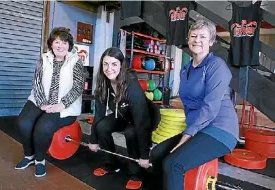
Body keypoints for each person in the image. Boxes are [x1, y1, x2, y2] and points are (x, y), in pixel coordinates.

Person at [150, 20, 239, 190]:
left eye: (203, 36)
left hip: (221, 129)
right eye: (194, 35)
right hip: (199, 128)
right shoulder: (186, 69)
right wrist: (190, 131)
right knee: (157, 154)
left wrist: (187, 135)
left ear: (211, 42)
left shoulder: (216, 66)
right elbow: (190, 104)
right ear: (188, 38)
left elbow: (210, 108)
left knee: (173, 164)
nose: (197, 40)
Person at [15, 27, 86, 177]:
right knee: (23, 122)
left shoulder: (76, 62)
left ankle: (40, 160)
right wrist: (41, 103)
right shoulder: (44, 58)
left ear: (69, 45)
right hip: (40, 100)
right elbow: (37, 82)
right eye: (57, 42)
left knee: (43, 128)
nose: (60, 46)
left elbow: (78, 87)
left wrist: (61, 105)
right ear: (51, 44)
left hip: (64, 106)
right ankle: (29, 156)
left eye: (64, 42)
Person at [88, 47, 160, 189]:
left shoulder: (131, 85)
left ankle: (136, 173)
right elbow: (99, 114)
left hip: (144, 117)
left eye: (114, 64)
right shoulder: (103, 83)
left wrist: (145, 155)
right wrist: (93, 140)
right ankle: (110, 164)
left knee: (131, 132)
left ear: (121, 65)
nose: (109, 68)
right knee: (102, 126)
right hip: (123, 115)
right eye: (105, 64)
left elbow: (141, 122)